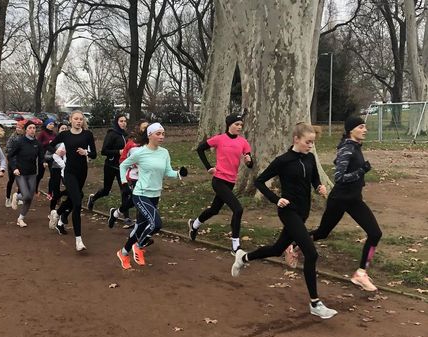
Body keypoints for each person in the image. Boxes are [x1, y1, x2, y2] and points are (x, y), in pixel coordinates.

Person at [231, 122, 337, 319]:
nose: (311, 146)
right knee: (311, 254)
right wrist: (276, 199)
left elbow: (314, 179)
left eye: (313, 142)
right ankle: (315, 303)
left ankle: (244, 258)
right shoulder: (283, 160)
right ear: (296, 139)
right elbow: (259, 181)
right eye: (308, 142)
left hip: (303, 212)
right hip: (288, 212)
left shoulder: (311, 158)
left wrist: (319, 186)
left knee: (277, 249)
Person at [307, 116, 382, 292]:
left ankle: (361, 273)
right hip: (339, 200)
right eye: (361, 127)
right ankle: (294, 244)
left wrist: (359, 173)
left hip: (354, 200)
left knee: (375, 233)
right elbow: (339, 178)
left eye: (365, 127)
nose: (365, 130)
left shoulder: (354, 147)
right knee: (322, 233)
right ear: (351, 130)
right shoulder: (347, 149)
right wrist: (361, 171)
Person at [116, 122, 188, 270]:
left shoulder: (164, 152)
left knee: (140, 227)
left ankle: (123, 253)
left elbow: (168, 172)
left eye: (163, 134)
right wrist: (124, 182)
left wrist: (179, 174)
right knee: (156, 224)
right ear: (150, 135)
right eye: (158, 134)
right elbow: (123, 165)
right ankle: (139, 245)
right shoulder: (140, 152)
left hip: (155, 194)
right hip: (141, 194)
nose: (162, 136)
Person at [188, 113, 253, 255]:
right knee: (238, 209)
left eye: (241, 125)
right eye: (237, 124)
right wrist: (208, 167)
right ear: (229, 124)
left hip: (231, 182)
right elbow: (200, 148)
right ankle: (235, 246)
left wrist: (248, 161)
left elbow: (250, 163)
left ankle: (194, 224)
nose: (239, 127)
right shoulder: (219, 139)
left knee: (214, 209)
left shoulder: (243, 142)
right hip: (218, 180)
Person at [48, 111, 96, 252]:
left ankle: (57, 213)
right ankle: (78, 240)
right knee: (76, 202)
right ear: (70, 120)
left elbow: (94, 154)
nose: (78, 121)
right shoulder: (65, 135)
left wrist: (86, 152)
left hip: (82, 172)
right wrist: (56, 152)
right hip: (69, 173)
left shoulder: (87, 134)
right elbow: (50, 146)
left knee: (74, 196)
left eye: (81, 119)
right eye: (76, 119)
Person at [87, 114, 131, 224]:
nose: (123, 123)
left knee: (125, 191)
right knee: (106, 190)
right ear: (116, 122)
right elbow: (104, 151)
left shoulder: (126, 135)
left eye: (125, 121)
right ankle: (93, 198)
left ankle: (126, 217)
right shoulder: (111, 134)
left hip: (122, 167)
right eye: (121, 121)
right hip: (110, 166)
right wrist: (118, 152)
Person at [107, 119, 149, 228]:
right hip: (134, 177)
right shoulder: (131, 143)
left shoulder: (151, 143)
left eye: (147, 127)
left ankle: (116, 213)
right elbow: (122, 160)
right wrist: (133, 164)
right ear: (139, 129)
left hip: (147, 177)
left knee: (137, 200)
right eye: (144, 128)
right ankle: (139, 227)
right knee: (139, 199)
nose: (146, 130)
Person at [8, 121, 44, 227]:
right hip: (20, 173)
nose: (33, 130)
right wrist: (14, 168)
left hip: (32, 173)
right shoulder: (20, 141)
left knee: (29, 198)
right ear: (26, 130)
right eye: (30, 128)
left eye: (34, 128)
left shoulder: (37, 144)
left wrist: (45, 162)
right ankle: (17, 196)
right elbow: (10, 156)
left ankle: (21, 218)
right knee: (26, 195)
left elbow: (41, 158)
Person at [45, 123, 69, 229]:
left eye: (65, 128)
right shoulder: (55, 142)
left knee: (69, 189)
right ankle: (52, 210)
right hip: (56, 168)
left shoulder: (70, 140)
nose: (64, 130)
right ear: (59, 130)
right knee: (56, 190)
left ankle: (64, 209)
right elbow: (47, 155)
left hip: (67, 170)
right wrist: (57, 154)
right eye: (62, 128)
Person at [5, 122, 25, 207]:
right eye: (17, 127)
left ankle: (19, 196)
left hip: (22, 162)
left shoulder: (26, 138)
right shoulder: (12, 138)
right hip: (13, 162)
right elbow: (8, 149)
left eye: (20, 128)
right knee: (11, 180)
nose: (18, 129)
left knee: (21, 180)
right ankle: (8, 198)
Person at [36, 118, 57, 193]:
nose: (52, 125)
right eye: (50, 124)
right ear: (46, 125)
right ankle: (35, 188)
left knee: (53, 174)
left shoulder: (54, 134)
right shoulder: (43, 133)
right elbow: (38, 144)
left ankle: (50, 192)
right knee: (40, 174)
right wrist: (47, 142)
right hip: (43, 155)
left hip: (51, 156)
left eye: (53, 124)